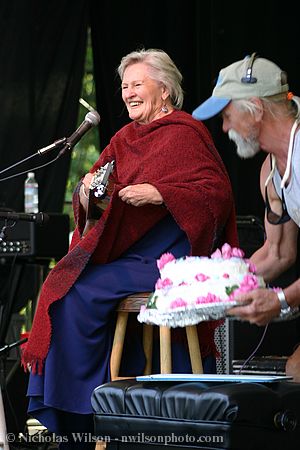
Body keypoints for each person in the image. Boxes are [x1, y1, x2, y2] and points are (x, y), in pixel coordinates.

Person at [22, 48, 238, 448]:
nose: (128, 93)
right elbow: (97, 192)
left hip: (171, 261)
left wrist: (162, 193)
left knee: (76, 293)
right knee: (61, 285)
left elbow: (217, 195)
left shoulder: (187, 132)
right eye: (124, 86)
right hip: (129, 257)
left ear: (166, 89)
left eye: (137, 84)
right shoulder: (124, 138)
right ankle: (86, 409)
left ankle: (84, 410)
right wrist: (87, 191)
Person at [192, 52, 300, 381]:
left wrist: (281, 300)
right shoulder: (271, 171)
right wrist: (216, 288)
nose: (223, 128)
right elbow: (278, 252)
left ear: (254, 107)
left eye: (226, 115)